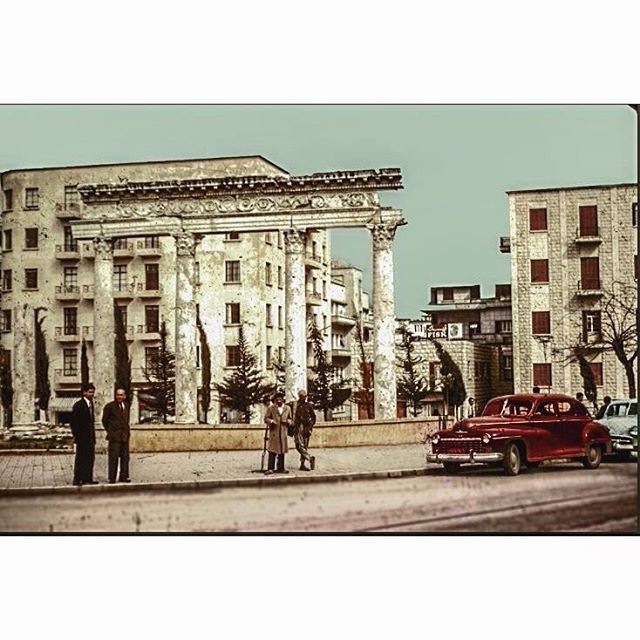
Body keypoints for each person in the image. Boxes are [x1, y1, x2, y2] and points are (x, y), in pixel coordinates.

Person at [70, 383, 98, 486]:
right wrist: (77, 436)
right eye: (90, 392)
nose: (92, 394)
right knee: (81, 459)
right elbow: (74, 423)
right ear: (84, 392)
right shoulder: (78, 405)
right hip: (82, 438)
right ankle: (78, 479)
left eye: (93, 392)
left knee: (90, 458)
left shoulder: (91, 405)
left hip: (90, 437)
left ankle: (88, 478)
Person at [102, 388, 131, 483]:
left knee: (125, 458)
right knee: (113, 458)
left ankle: (124, 476)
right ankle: (112, 478)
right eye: (118, 395)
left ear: (125, 396)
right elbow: (104, 421)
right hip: (114, 437)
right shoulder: (109, 407)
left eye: (122, 395)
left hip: (124, 436)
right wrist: (111, 431)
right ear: (115, 395)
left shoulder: (126, 406)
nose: (120, 397)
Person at [263, 391, 292, 474]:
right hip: (274, 432)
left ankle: (281, 468)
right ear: (275, 400)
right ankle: (270, 468)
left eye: (280, 399)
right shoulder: (271, 408)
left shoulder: (287, 408)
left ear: (283, 400)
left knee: (282, 451)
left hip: (283, 432)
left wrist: (288, 422)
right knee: (272, 451)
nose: (279, 401)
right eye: (277, 400)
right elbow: (266, 418)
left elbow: (290, 418)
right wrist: (271, 421)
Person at [290, 389, 316, 471]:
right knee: (298, 446)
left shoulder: (308, 405)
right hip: (297, 428)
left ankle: (302, 464)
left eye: (305, 396)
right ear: (299, 396)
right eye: (302, 396)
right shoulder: (294, 405)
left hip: (306, 428)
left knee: (304, 446)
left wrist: (310, 426)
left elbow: (314, 417)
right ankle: (310, 458)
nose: (304, 398)